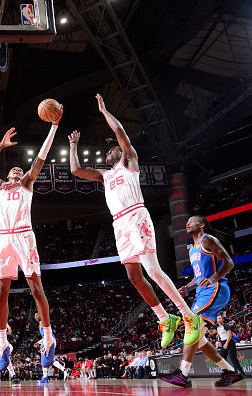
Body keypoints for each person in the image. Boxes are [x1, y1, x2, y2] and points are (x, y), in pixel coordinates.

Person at [68, 94, 201, 349]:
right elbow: (75, 170)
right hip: (119, 225)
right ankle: (165, 318)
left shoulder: (129, 162)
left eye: (112, 147)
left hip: (136, 215)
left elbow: (120, 132)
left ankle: (188, 315)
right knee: (133, 276)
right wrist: (74, 145)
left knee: (152, 270)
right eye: (107, 149)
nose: (109, 150)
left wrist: (105, 111)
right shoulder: (104, 175)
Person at [0, 111, 62, 370]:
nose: (16, 169)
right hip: (3, 239)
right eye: (13, 168)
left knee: (36, 289)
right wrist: (0, 146)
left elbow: (41, 156)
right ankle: (3, 345)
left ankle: (48, 339)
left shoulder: (27, 183)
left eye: (19, 168)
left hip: (24, 236)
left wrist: (53, 127)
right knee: (1, 292)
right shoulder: (1, 187)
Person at [158, 215, 244, 387]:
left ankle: (183, 374)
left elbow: (229, 262)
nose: (188, 223)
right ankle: (229, 371)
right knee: (200, 338)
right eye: (187, 221)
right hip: (202, 291)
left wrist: (213, 278)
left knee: (192, 324)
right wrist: (188, 287)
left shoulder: (208, 239)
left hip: (216, 289)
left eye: (192, 221)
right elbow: (198, 277)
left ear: (202, 224)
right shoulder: (192, 249)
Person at [33, 312, 67, 383]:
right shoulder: (40, 323)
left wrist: (39, 343)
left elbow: (46, 335)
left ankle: (45, 377)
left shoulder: (43, 322)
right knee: (50, 359)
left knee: (44, 357)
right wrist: (39, 342)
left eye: (36, 315)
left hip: (49, 340)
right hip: (50, 340)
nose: (35, 316)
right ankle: (64, 370)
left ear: (40, 315)